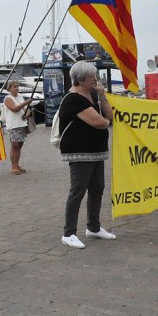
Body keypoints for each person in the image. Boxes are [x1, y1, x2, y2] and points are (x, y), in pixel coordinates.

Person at [57, 62, 115, 249]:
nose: (96, 80)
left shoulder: (91, 95)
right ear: (81, 80)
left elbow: (110, 116)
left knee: (98, 187)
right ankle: (69, 232)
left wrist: (103, 97)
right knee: (78, 190)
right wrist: (105, 122)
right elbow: (99, 122)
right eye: (92, 78)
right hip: (80, 151)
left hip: (96, 150)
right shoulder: (74, 99)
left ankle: (94, 227)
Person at [2, 80, 34, 175]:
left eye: (17, 86)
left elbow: (26, 109)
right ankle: (14, 166)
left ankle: (17, 164)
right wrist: (26, 102)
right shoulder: (8, 98)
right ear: (9, 88)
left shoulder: (20, 96)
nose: (17, 88)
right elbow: (14, 109)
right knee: (15, 145)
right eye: (14, 87)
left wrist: (26, 114)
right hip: (13, 125)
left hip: (22, 124)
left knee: (20, 145)